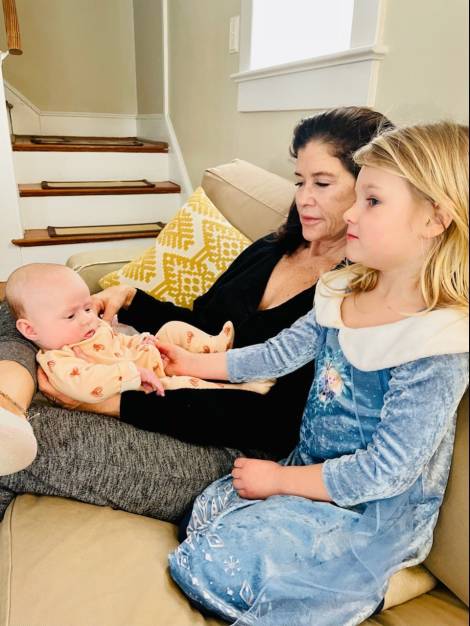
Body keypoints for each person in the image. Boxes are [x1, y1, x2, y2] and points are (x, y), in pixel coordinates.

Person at [0, 106, 393, 522]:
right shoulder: (271, 248)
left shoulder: (355, 294)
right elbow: (203, 325)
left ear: (368, 187)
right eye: (299, 181)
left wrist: (115, 403)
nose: (303, 198)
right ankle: (8, 398)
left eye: (322, 183)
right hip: (165, 384)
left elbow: (275, 421)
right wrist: (130, 298)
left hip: (229, 444)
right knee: (26, 303)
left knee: (26, 441)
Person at [164, 121, 469, 625]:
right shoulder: (342, 290)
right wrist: (192, 363)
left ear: (435, 218)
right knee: (201, 516)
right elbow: (276, 353)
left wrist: (279, 480)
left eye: (372, 201)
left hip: (368, 507)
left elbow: (386, 471)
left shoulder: (437, 341)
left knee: (216, 564)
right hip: (309, 467)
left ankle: (391, 577)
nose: (350, 213)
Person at [6, 263, 270, 402]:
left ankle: (216, 346)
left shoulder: (90, 329)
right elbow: (88, 385)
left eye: (87, 307)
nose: (87, 319)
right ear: (30, 329)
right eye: (71, 315)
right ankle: (244, 390)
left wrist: (140, 341)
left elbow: (118, 342)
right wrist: (134, 374)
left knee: (172, 329)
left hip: (153, 356)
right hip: (152, 381)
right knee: (184, 386)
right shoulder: (58, 360)